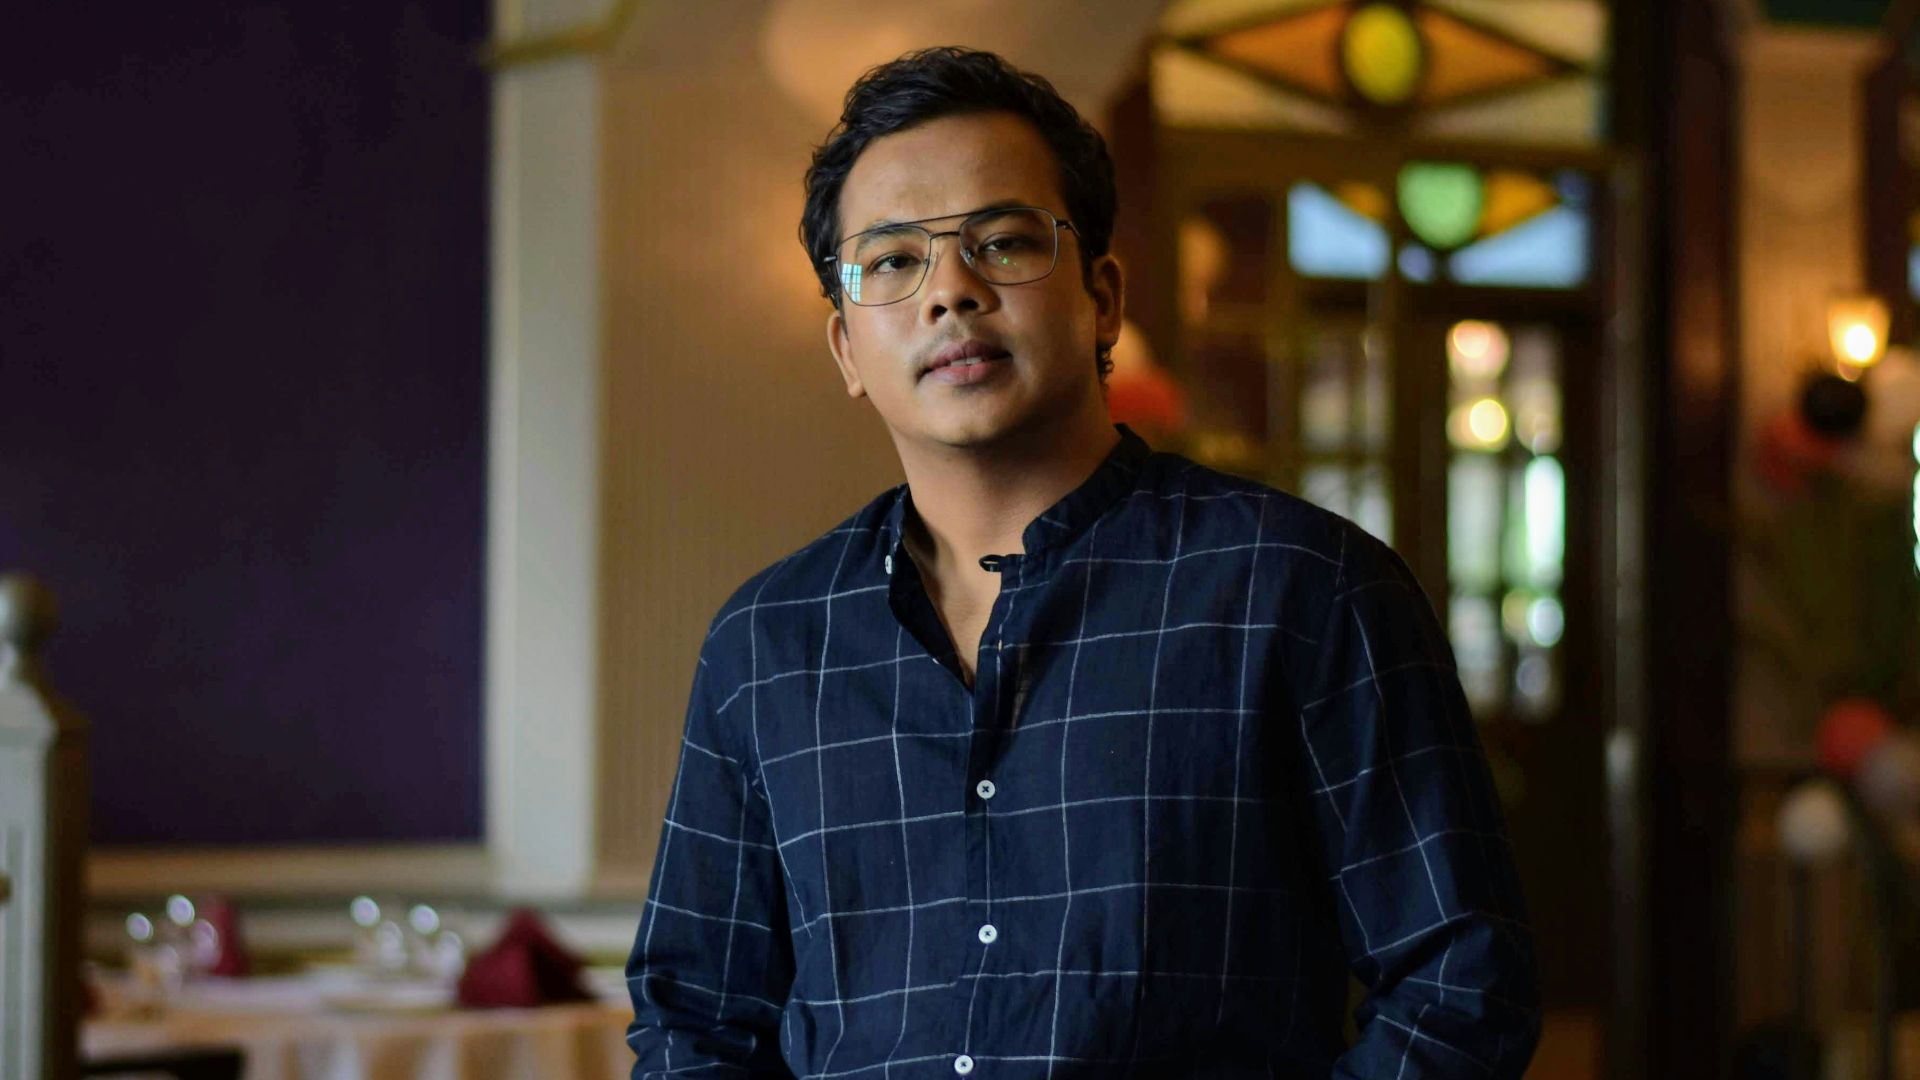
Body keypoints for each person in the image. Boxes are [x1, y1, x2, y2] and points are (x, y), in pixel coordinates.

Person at [626, 46, 1539, 1080]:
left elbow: (1461, 988)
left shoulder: (1301, 589)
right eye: (892, 261)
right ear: (846, 348)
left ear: (1102, 298)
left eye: (1004, 242)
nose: (951, 293)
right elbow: (694, 1017)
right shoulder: (769, 644)